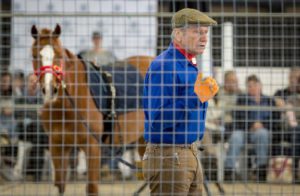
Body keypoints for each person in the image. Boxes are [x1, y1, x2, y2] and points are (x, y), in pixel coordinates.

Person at [142, 8, 218, 195]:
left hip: (186, 153)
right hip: (171, 156)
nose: (204, 38)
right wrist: (196, 97)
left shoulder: (187, 65)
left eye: (205, 32)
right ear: (178, 34)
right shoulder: (165, 66)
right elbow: (158, 120)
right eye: (197, 31)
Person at [224, 75, 279, 181]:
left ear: (260, 86)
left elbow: (275, 119)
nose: (252, 88)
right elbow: (237, 117)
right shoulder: (241, 100)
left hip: (262, 131)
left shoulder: (269, 101)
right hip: (244, 130)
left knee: (262, 133)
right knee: (235, 136)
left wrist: (262, 124)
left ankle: (260, 170)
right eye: (249, 86)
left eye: (255, 85)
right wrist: (251, 124)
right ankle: (229, 170)